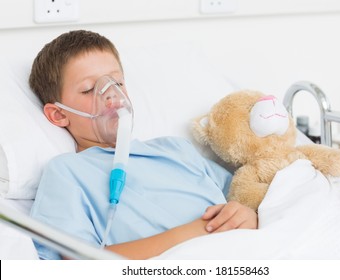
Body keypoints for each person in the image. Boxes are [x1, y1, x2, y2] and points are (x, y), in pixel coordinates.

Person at [29, 30, 258, 260]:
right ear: (58, 115)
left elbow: (245, 196)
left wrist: (246, 214)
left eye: (117, 82)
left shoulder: (176, 150)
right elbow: (80, 262)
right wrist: (198, 232)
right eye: (89, 89)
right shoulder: (67, 172)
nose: (111, 95)